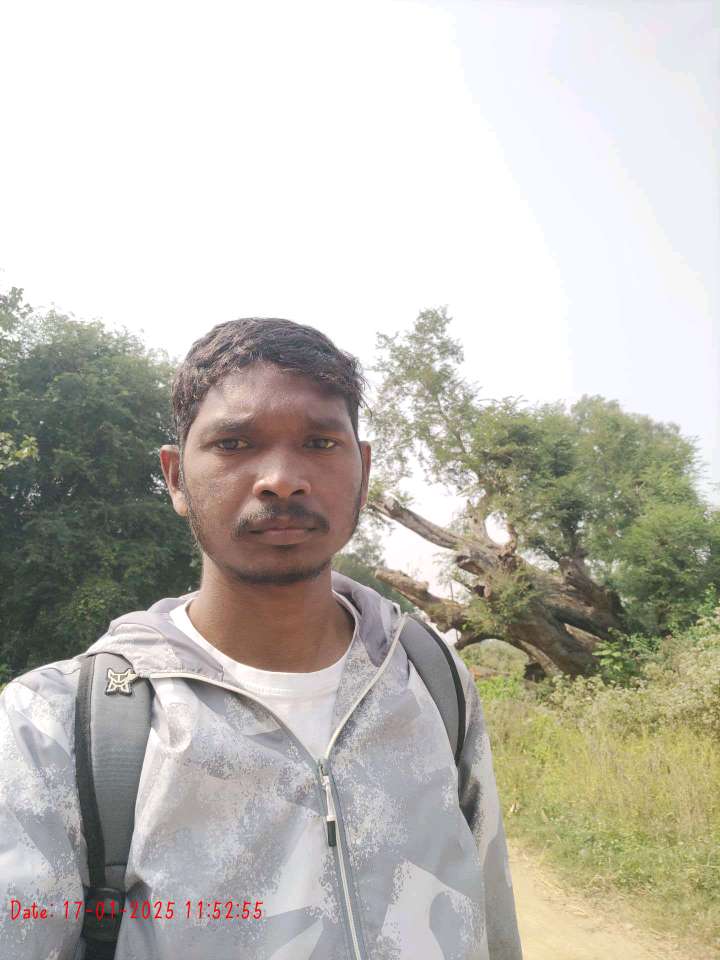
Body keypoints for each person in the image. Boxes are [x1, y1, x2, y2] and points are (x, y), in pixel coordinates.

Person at [0, 317, 524, 959]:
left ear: (362, 471)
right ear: (175, 478)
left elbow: (492, 919)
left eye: (320, 443)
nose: (281, 479)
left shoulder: (428, 674)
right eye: (234, 443)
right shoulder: (52, 725)